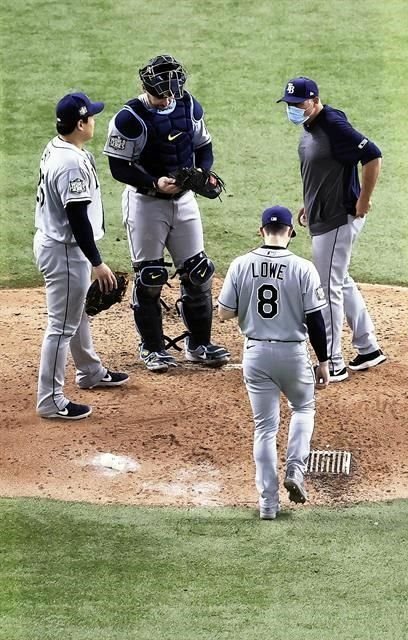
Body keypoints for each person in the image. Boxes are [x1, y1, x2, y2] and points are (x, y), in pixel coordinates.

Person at [102, 54, 229, 373]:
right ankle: (152, 348)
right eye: (162, 94)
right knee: (150, 275)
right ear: (147, 87)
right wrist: (153, 181)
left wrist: (204, 172)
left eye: (172, 92)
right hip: (145, 203)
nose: (167, 99)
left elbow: (205, 146)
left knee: (199, 271)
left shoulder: (189, 106)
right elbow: (118, 166)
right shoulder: (129, 118)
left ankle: (199, 344)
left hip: (184, 201)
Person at [217, 205, 331, 520]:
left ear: (261, 230)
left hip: (255, 355)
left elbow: (224, 312)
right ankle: (295, 468)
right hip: (293, 354)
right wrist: (323, 361)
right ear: (291, 233)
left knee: (265, 428)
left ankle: (268, 504)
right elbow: (316, 321)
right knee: (304, 409)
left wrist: (246, 308)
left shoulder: (241, 264)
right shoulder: (303, 268)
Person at [277, 76, 386, 383]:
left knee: (327, 289)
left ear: (314, 100)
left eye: (298, 104)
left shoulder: (332, 124)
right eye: (289, 105)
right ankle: (368, 347)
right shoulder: (312, 125)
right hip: (322, 214)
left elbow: (373, 155)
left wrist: (363, 200)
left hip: (339, 217)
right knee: (339, 281)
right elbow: (321, 169)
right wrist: (309, 202)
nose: (293, 109)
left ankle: (334, 361)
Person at [34, 92, 130, 420]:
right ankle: (50, 400)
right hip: (65, 250)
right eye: (91, 117)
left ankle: (90, 371)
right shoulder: (72, 162)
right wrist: (97, 262)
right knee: (60, 326)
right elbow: (77, 218)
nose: (95, 121)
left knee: (75, 315)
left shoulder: (60, 146)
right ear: (80, 123)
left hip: (55, 242)